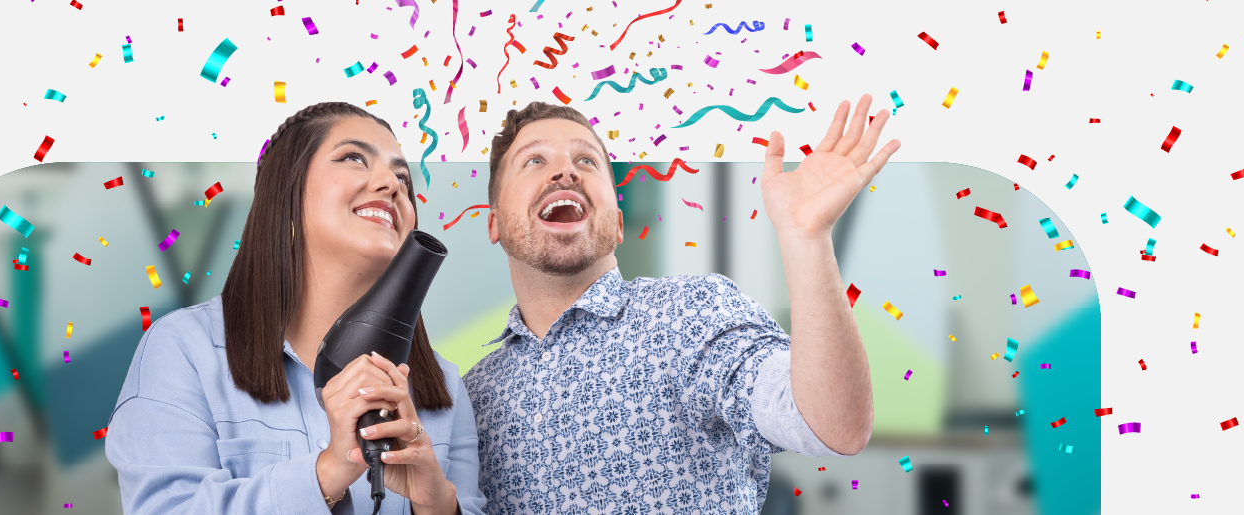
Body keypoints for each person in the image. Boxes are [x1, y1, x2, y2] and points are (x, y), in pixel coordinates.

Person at [464, 96, 901, 513]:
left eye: (587, 161)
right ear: (495, 223)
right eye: (535, 160)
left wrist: (806, 238)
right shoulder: (469, 398)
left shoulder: (694, 311)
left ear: (617, 223)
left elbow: (832, 427)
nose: (566, 172)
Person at [106, 102, 484, 515]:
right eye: (355, 158)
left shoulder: (445, 387)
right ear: (286, 191)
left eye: (402, 178)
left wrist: (438, 506)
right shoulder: (183, 350)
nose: (391, 184)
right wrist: (328, 472)